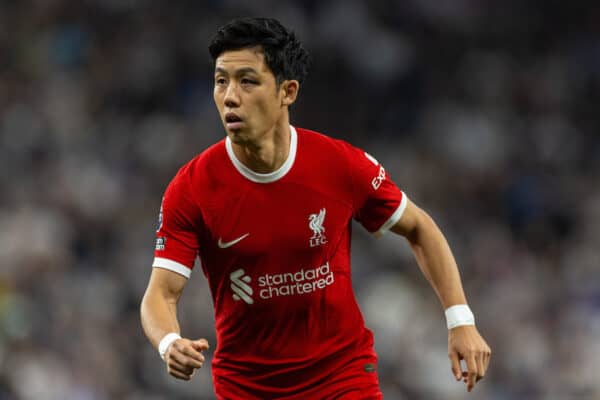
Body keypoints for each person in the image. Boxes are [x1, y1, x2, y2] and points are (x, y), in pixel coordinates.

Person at [140, 17, 491, 399]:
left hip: (341, 376)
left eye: (247, 80)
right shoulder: (192, 187)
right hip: (248, 387)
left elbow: (419, 228)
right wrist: (168, 341)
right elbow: (161, 294)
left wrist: (461, 320)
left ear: (287, 91)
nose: (229, 96)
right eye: (221, 80)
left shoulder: (339, 165)